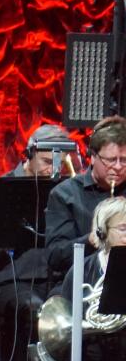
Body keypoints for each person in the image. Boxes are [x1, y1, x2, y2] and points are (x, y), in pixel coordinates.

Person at [0, 124, 76, 361]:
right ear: (29, 156)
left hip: (56, 280)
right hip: (10, 282)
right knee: (31, 308)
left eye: (59, 163)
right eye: (47, 162)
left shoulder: (68, 191)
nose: (54, 170)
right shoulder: (3, 190)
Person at [44, 115, 126, 281]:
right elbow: (55, 256)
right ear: (93, 156)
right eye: (111, 160)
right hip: (79, 282)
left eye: (124, 160)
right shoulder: (65, 194)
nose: (118, 167)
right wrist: (91, 240)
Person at [49, 195, 126, 361]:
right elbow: (68, 316)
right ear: (103, 231)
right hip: (91, 359)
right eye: (123, 229)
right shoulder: (82, 270)